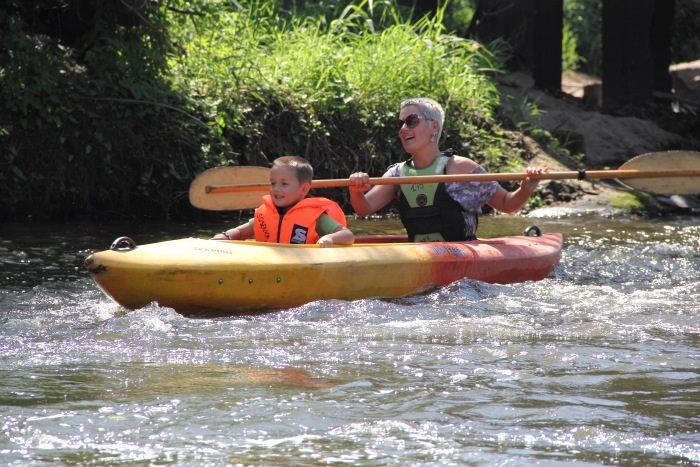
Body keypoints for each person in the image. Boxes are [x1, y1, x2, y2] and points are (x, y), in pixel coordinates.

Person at [348, 97, 549, 242]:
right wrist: (356, 190)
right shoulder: (397, 174)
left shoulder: (462, 169)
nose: (403, 129)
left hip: (462, 262)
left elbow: (507, 204)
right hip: (419, 256)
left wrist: (526, 188)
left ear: (434, 127)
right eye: (400, 123)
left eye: (411, 121)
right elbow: (363, 208)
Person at [211, 156, 354, 247]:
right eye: (273, 183)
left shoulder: (317, 217)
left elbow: (348, 236)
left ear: (304, 189)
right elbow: (240, 233)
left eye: (284, 184)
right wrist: (225, 236)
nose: (276, 189)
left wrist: (329, 237)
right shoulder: (266, 214)